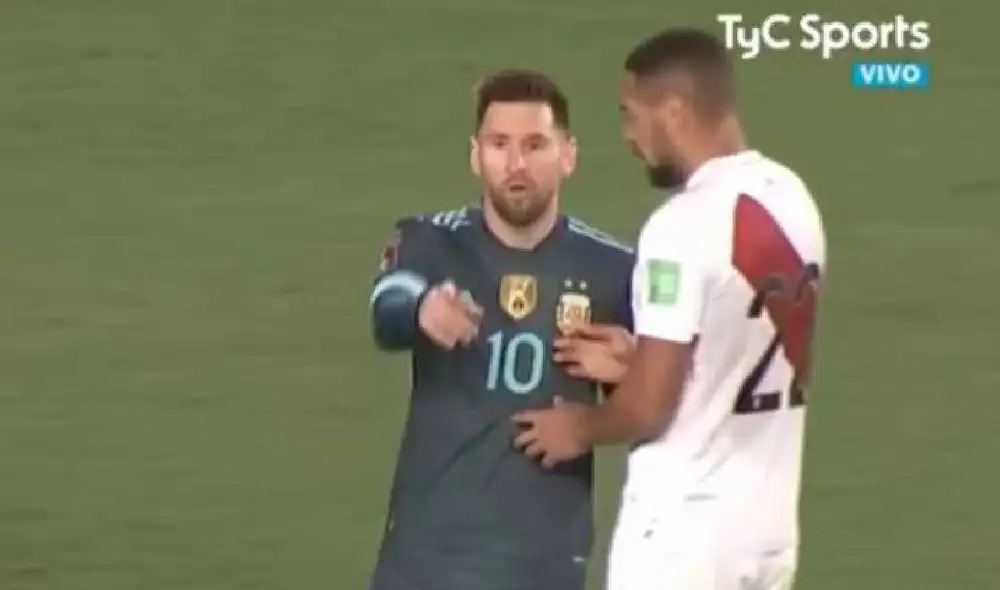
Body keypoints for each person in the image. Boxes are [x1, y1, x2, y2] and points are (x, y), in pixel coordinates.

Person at [512, 28, 826, 590]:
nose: (628, 137)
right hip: (767, 534)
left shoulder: (681, 225)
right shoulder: (791, 198)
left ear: (673, 111)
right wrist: (641, 359)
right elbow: (764, 347)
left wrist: (577, 427)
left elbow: (648, 408)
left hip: (683, 538)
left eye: (631, 116)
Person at [367, 69, 634, 590]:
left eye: (535, 145)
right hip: (426, 559)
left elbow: (655, 404)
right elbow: (385, 306)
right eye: (499, 144)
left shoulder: (614, 269)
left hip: (545, 561)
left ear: (568, 155)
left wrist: (627, 375)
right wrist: (420, 307)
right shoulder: (429, 241)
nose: (516, 164)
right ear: (476, 155)